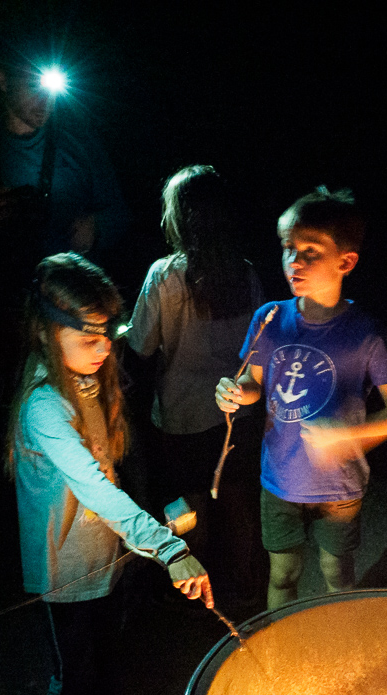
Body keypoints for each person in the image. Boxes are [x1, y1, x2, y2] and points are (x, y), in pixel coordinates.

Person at [8, 253, 212, 695]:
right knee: (71, 672)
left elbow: (109, 473)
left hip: (104, 557)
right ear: (47, 331)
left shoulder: (87, 380)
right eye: (88, 337)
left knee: (106, 658)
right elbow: (94, 486)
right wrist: (168, 548)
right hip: (63, 570)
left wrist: (147, 530)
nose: (104, 349)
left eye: (107, 333)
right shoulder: (45, 406)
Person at [215, 188, 387, 609]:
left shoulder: (365, 334)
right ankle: (281, 645)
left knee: (336, 574)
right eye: (288, 248)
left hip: (339, 486)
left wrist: (346, 434)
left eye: (310, 252)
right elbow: (254, 383)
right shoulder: (269, 318)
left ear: (346, 262)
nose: (294, 261)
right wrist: (236, 392)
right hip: (279, 479)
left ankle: (338, 643)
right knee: (282, 575)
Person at [126, 165, 265, 605]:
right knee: (238, 501)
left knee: (189, 505)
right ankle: (245, 588)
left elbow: (141, 345)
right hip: (237, 412)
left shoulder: (164, 276)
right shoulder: (246, 274)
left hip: (181, 414)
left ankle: (195, 595)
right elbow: (261, 347)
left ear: (178, 217)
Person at [0, 51, 129, 268]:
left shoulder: (79, 141)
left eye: (51, 89)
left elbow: (120, 212)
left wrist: (96, 228)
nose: (45, 100)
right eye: (33, 86)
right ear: (3, 80)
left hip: (71, 282)